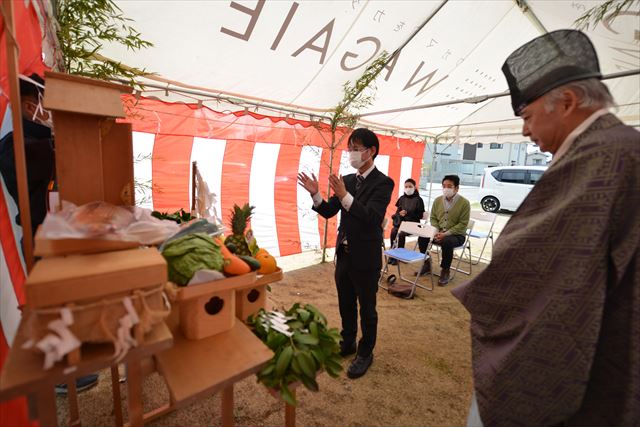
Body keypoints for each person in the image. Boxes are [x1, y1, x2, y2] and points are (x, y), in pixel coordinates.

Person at [451, 30, 639, 427]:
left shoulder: (605, 155)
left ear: (567, 102)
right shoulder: (618, 147)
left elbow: (530, 259)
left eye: (527, 117)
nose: (524, 131)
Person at [0, 75, 99, 394]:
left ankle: (72, 359)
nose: (54, 114)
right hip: (39, 238)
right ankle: (57, 375)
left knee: (65, 302)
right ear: (32, 106)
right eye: (50, 107)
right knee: (50, 307)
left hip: (62, 235)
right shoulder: (14, 145)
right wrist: (62, 140)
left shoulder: (44, 142)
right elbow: (38, 161)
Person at [297, 128, 394, 379]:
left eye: (356, 148)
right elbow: (329, 210)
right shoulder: (348, 180)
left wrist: (344, 196)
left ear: (371, 151)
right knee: (346, 302)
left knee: (367, 308)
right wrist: (315, 193)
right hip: (345, 253)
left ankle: (365, 352)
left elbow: (372, 217)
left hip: (366, 257)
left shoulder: (383, 183)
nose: (351, 153)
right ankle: (347, 341)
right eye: (350, 148)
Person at [416, 175, 470, 286]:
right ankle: (427, 263)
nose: (446, 188)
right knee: (422, 237)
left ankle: (445, 270)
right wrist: (436, 231)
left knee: (447, 242)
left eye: (449, 186)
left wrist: (445, 234)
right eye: (444, 186)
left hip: (457, 235)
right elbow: (433, 218)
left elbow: (463, 224)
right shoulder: (437, 200)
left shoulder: (464, 203)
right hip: (438, 232)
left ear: (456, 188)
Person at [389, 178, 425, 256]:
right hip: (402, 224)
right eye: (406, 187)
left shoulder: (418, 200)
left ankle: (399, 254)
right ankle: (393, 252)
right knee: (393, 231)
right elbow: (397, 212)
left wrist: (408, 213)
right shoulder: (402, 198)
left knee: (401, 233)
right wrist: (399, 214)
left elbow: (420, 215)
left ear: (415, 187)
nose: (408, 188)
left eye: (410, 186)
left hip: (414, 225)